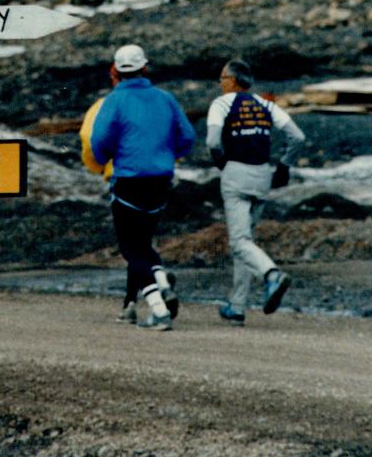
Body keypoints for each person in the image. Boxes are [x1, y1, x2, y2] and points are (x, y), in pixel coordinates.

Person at [88, 43, 196, 331]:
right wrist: (166, 155)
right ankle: (161, 282)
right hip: (160, 180)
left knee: (131, 248)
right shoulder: (166, 99)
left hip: (128, 180)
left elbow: (98, 141)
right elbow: (187, 135)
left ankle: (158, 309)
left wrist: (103, 161)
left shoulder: (114, 101)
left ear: (116, 70)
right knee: (143, 243)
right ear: (144, 67)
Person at [207, 58, 305, 326]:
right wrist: (284, 165)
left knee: (239, 241)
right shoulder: (265, 104)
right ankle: (237, 306)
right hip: (263, 175)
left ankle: (271, 274)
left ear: (233, 80)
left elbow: (213, 142)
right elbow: (298, 137)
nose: (220, 83)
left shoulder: (222, 104)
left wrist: (222, 163)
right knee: (246, 241)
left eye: (222, 78)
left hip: (236, 173)